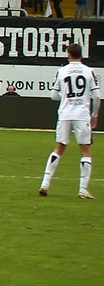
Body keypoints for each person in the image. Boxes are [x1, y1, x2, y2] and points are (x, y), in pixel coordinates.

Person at [39, 44, 96, 199]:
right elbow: (96, 96)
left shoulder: (62, 71)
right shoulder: (89, 71)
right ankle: (83, 189)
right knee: (85, 151)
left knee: (58, 149)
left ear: (68, 55)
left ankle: (44, 183)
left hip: (65, 114)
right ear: (81, 55)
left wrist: (65, 97)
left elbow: (53, 96)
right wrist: (95, 114)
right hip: (82, 115)